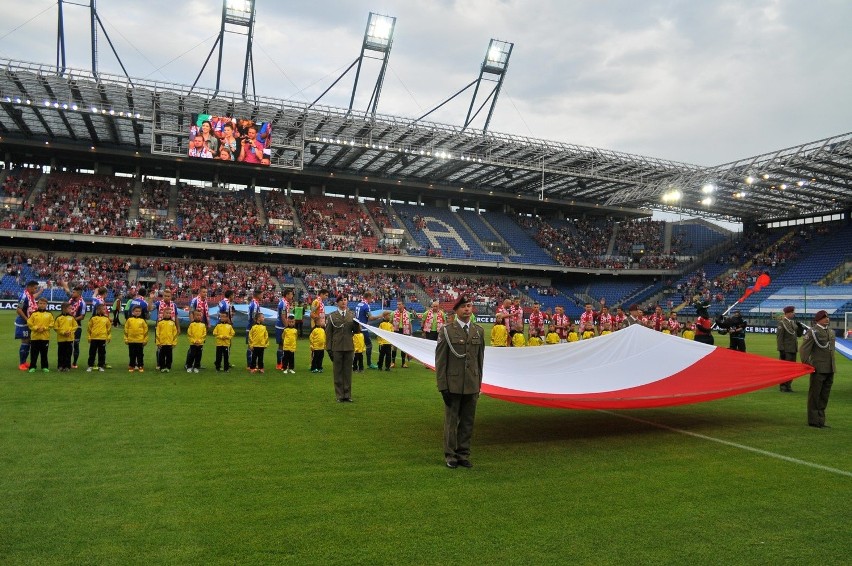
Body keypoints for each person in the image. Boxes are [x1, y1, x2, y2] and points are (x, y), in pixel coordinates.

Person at [435, 296, 485, 469]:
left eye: (469, 306)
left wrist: (479, 384)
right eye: (463, 306)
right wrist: (443, 386)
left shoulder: (478, 331)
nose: (467, 309)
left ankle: (463, 453)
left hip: (471, 383)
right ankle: (450, 455)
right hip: (453, 384)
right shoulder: (447, 331)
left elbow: (480, 360)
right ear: (456, 310)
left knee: (467, 421)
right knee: (451, 422)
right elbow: (440, 361)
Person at [799, 310, 836, 429]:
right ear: (818, 319)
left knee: (824, 395)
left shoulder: (830, 332)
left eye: (828, 317)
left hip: (830, 368)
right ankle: (814, 421)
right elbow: (804, 350)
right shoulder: (813, 332)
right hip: (818, 368)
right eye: (824, 317)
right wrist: (808, 364)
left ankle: (821, 420)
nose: (827, 319)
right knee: (815, 395)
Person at [326, 294, 357, 402]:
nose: (344, 302)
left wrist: (357, 324)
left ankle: (347, 395)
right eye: (341, 300)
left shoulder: (352, 315)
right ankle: (339, 395)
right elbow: (328, 334)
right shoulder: (332, 316)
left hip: (349, 346)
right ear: (337, 302)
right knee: (338, 372)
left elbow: (357, 331)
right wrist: (329, 349)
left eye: (345, 300)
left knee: (348, 372)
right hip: (337, 347)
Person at [776, 306, 804, 393]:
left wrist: (800, 327)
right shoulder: (782, 323)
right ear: (787, 313)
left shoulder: (792, 323)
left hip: (793, 349)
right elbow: (779, 338)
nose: (793, 314)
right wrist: (781, 350)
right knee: (784, 369)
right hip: (786, 350)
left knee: (791, 369)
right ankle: (783, 386)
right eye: (792, 312)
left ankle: (788, 385)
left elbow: (798, 335)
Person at [15, 280, 41, 370]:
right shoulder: (23, 296)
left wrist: (40, 291)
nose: (35, 289)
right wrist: (28, 320)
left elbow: (33, 296)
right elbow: (18, 309)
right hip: (23, 323)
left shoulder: (29, 296)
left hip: (29, 323)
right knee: (25, 342)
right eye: (35, 288)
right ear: (29, 287)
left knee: (29, 342)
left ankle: (25, 362)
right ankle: (21, 363)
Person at [356, 291, 386, 368]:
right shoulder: (366, 306)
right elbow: (371, 318)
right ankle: (369, 364)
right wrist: (380, 316)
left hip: (357, 328)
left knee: (357, 346)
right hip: (363, 329)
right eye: (371, 298)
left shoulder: (359, 304)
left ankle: (355, 364)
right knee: (369, 345)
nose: (372, 300)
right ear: (368, 297)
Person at [60, 282, 87, 368]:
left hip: (76, 327)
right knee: (67, 344)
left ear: (78, 294)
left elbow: (82, 317)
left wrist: (72, 320)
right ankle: (65, 362)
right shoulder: (71, 300)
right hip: (66, 326)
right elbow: (68, 292)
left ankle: (74, 363)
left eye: (74, 292)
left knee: (75, 345)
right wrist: (65, 285)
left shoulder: (82, 303)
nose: (72, 293)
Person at [27, 297, 54, 372]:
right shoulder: (34, 314)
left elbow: (52, 324)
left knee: (44, 353)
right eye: (40, 303)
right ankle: (32, 367)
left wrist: (44, 328)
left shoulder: (49, 314)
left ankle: (44, 367)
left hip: (45, 337)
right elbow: (29, 323)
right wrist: (36, 328)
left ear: (46, 305)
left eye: (44, 304)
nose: (42, 305)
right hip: (35, 337)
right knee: (33, 353)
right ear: (37, 304)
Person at [86, 303, 111, 372]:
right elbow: (89, 329)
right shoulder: (93, 318)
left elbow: (109, 329)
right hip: (93, 338)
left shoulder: (106, 319)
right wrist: (89, 337)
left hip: (102, 338)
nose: (105, 310)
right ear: (98, 310)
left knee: (102, 353)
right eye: (103, 309)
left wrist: (108, 337)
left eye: (105, 309)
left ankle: (101, 366)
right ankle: (90, 365)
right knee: (92, 352)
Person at [54, 301, 78, 372]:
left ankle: (67, 366)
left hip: (69, 339)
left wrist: (70, 332)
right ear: (64, 308)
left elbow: (75, 326)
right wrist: (63, 332)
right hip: (61, 339)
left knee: (68, 353)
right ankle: (60, 366)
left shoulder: (72, 317)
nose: (71, 310)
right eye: (69, 308)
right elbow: (55, 327)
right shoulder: (58, 318)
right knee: (61, 353)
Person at [124, 305, 148, 372]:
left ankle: (140, 365)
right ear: (133, 312)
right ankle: (132, 365)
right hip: (131, 341)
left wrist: (145, 340)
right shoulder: (129, 320)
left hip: (140, 341)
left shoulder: (142, 321)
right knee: (132, 354)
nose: (138, 312)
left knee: (140, 354)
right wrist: (126, 339)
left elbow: (145, 331)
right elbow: (126, 330)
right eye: (136, 311)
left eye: (139, 311)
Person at [275, 288, 294, 370]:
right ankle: (279, 363)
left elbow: (287, 314)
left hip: (284, 325)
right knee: (281, 344)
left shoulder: (286, 303)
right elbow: (283, 317)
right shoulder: (283, 303)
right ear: (287, 295)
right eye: (291, 294)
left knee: (286, 345)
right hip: (281, 326)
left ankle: (284, 363)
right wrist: (287, 327)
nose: (292, 296)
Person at [391, 301, 413, 367]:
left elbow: (410, 324)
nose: (398, 305)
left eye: (399, 304)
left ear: (403, 305)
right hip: (396, 331)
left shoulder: (408, 313)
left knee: (403, 347)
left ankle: (403, 363)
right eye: (397, 304)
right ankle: (393, 363)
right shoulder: (393, 313)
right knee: (394, 347)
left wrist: (411, 333)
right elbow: (390, 322)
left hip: (405, 331)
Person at [246, 290, 262, 368]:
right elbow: (253, 317)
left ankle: (252, 363)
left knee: (252, 346)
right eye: (261, 295)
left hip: (252, 326)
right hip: (252, 327)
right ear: (258, 295)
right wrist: (254, 327)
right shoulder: (254, 304)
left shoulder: (254, 303)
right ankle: (250, 364)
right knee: (250, 346)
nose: (262, 296)